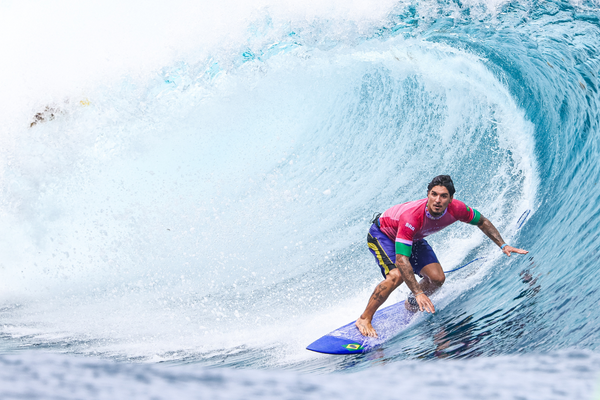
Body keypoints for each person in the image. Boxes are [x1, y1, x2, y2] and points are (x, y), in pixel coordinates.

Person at [355, 175, 528, 337]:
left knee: (437, 279)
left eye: (444, 196)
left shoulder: (457, 209)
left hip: (413, 238)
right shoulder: (412, 216)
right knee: (396, 275)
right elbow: (401, 260)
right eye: (434, 194)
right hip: (383, 234)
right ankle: (364, 318)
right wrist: (418, 291)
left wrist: (503, 245)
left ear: (451, 199)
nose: (438, 200)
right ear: (428, 195)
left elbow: (482, 221)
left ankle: (411, 304)